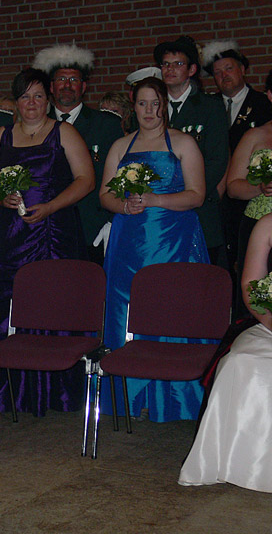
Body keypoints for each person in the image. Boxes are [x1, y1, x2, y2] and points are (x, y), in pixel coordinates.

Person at [0, 67, 94, 417]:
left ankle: (56, 393)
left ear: (48, 100)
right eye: (25, 96)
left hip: (53, 234)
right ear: (16, 101)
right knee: (8, 306)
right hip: (11, 237)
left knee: (53, 304)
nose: (32, 103)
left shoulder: (63, 132)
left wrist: (52, 206)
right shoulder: (2, 135)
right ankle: (10, 393)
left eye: (39, 96)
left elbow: (86, 179)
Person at [99, 76, 210, 421]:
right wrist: (124, 205)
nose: (149, 110)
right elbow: (104, 195)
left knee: (171, 308)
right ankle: (131, 395)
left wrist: (154, 200)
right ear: (133, 107)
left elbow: (197, 195)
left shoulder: (183, 143)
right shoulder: (121, 146)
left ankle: (174, 397)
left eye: (155, 103)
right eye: (142, 103)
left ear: (164, 106)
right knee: (126, 308)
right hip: (129, 241)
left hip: (172, 240)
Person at [179, 212, 272, 493]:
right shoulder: (267, 224)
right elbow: (251, 287)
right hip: (268, 324)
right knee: (240, 361)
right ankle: (234, 462)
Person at [33, 43, 124, 264]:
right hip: (47, 227)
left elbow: (117, 176)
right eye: (61, 79)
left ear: (83, 87)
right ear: (51, 87)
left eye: (73, 80)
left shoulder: (107, 124)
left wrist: (111, 220)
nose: (67, 85)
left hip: (91, 227)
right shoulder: (35, 126)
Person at [154, 35, 229, 267]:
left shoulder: (210, 107)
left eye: (178, 64)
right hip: (159, 209)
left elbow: (217, 159)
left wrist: (185, 193)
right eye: (165, 64)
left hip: (199, 207)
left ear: (192, 70)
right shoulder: (152, 107)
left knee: (203, 276)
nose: (170, 69)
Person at [225, 69, 272, 318]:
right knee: (257, 297)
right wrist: (260, 187)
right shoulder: (255, 135)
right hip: (257, 226)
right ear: (270, 95)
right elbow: (232, 186)